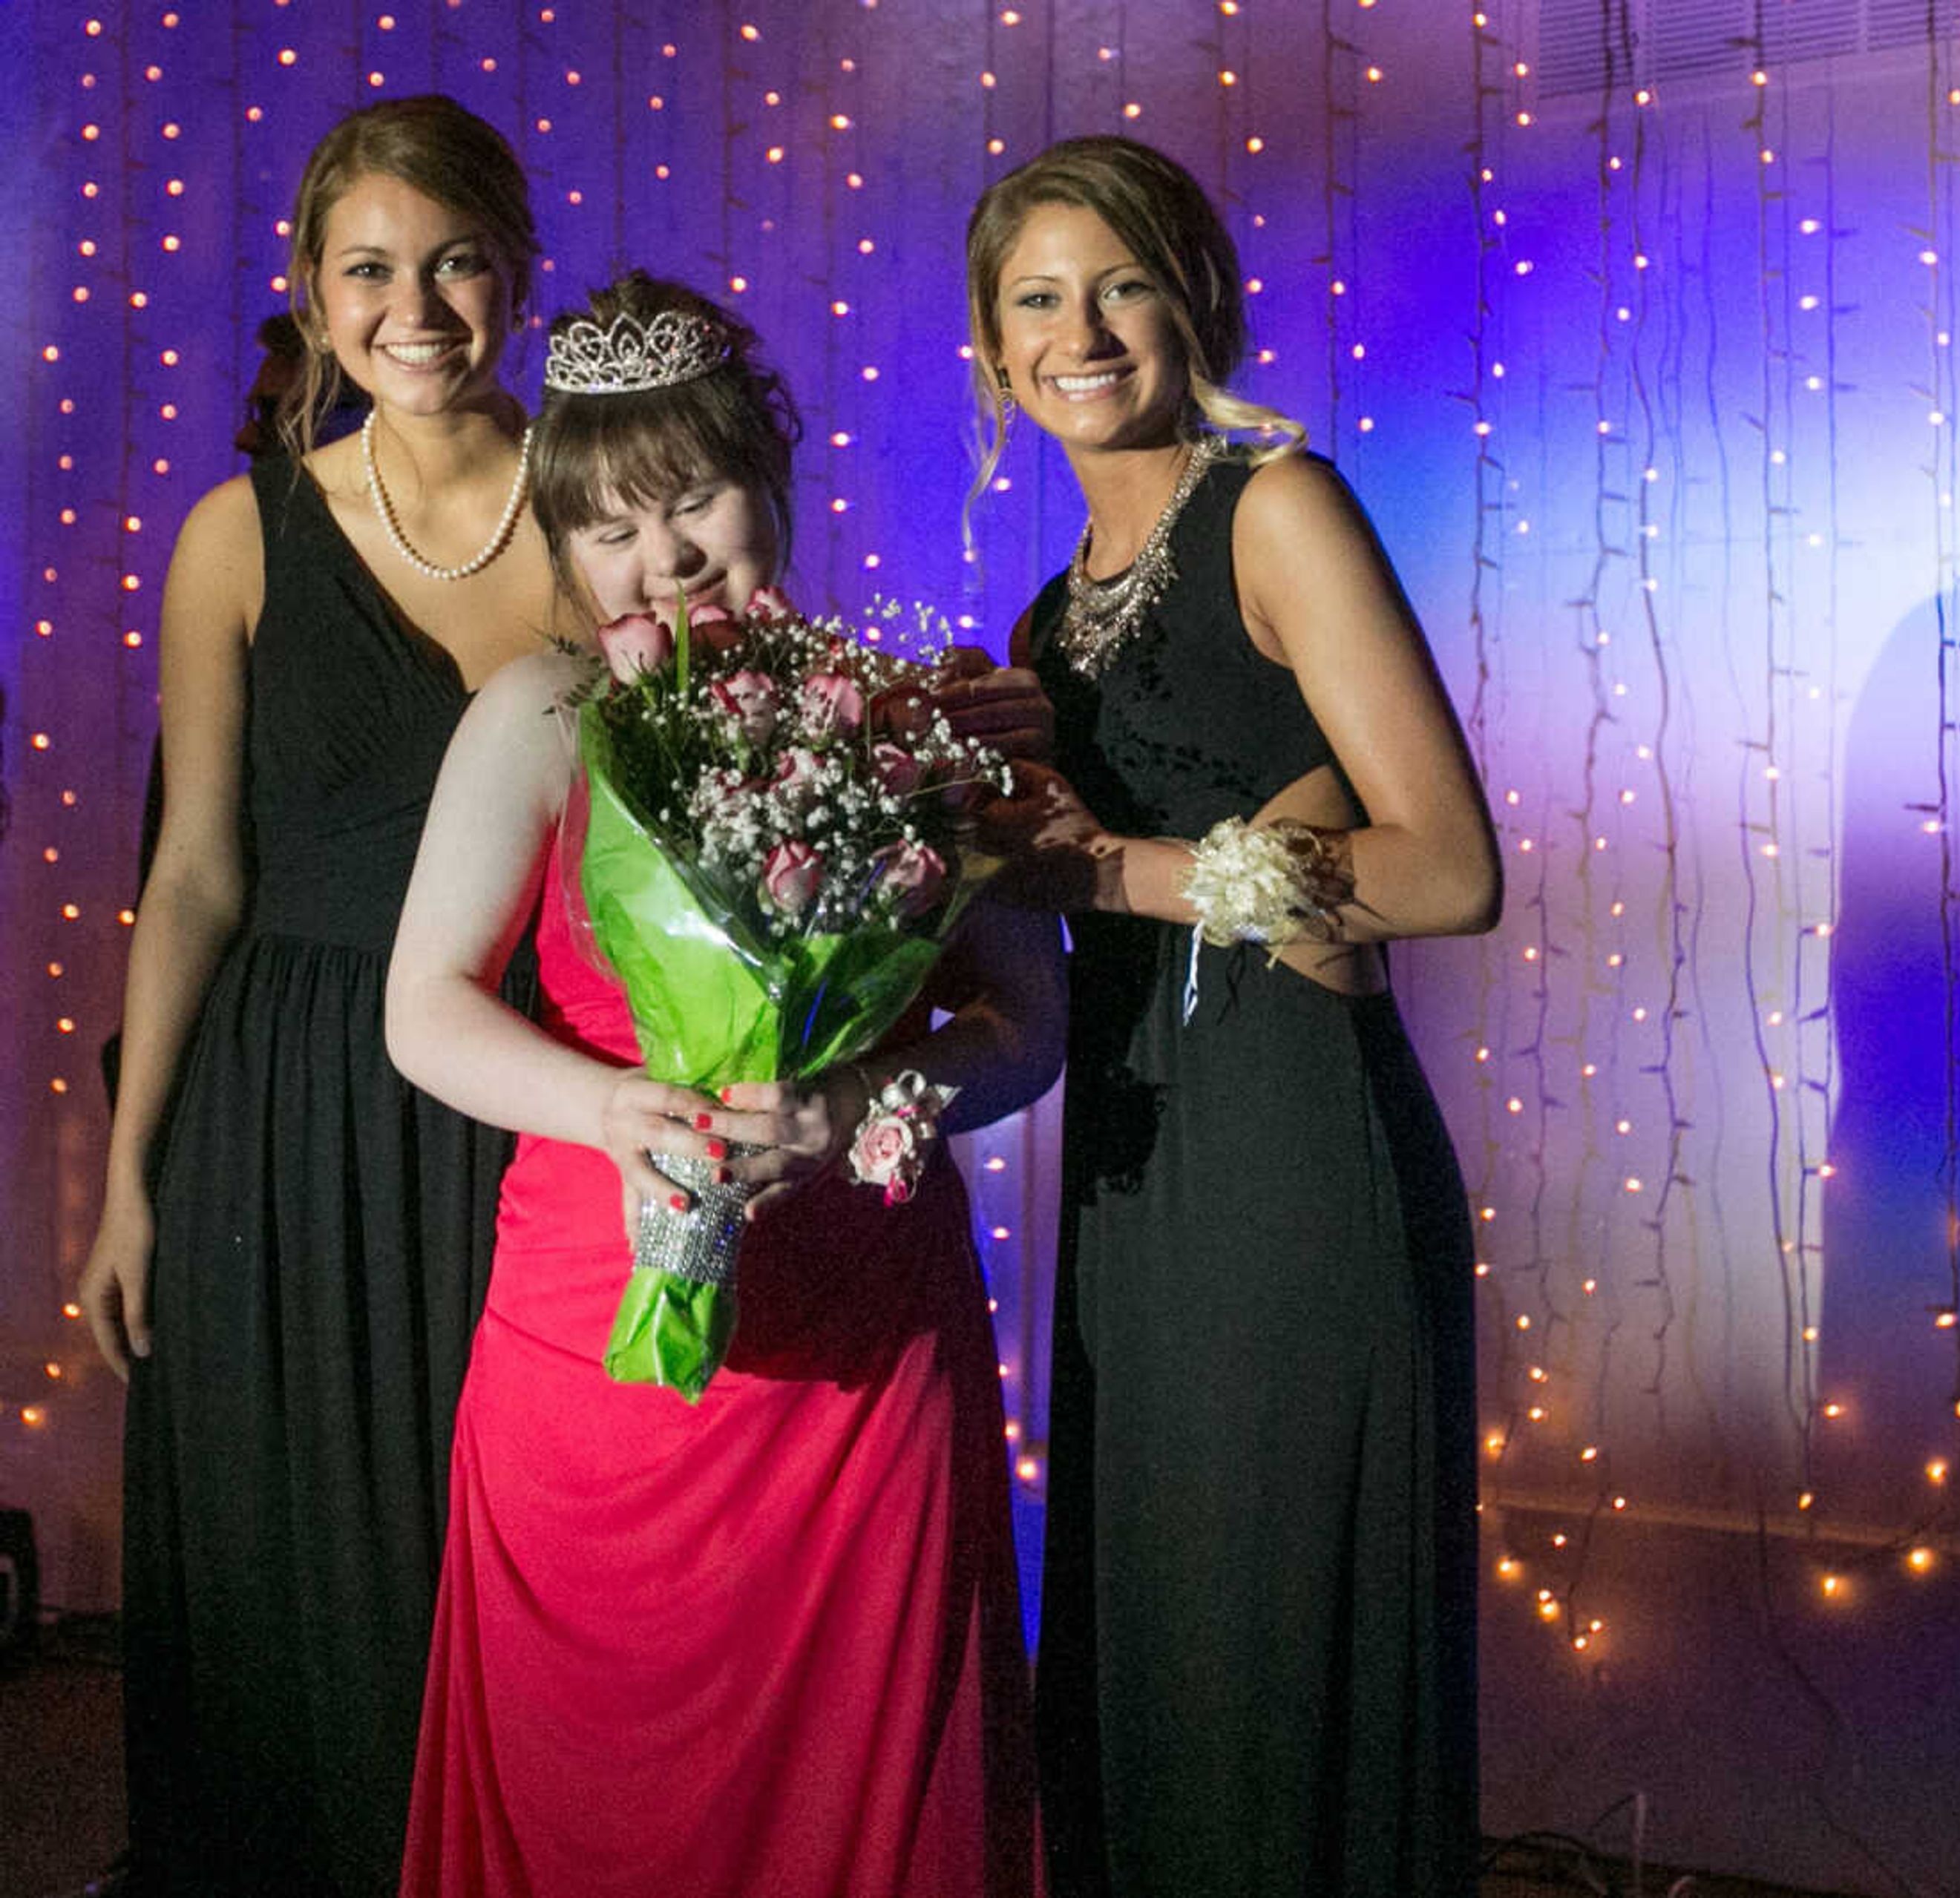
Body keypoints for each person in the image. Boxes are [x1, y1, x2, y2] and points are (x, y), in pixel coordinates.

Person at [382, 271, 1052, 1898]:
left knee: (867, 1789)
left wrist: (861, 1108)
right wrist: (614, 1110)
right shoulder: (538, 716)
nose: (661, 559)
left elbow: (1024, 1028)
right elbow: (423, 1012)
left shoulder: (909, 723)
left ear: (776, 486)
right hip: (586, 1340)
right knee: (583, 1783)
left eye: (695, 501)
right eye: (609, 525)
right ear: (560, 545)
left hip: (862, 1345)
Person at [963, 135, 1501, 1896]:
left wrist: (1116, 865)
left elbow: (1444, 868)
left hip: (1292, 1150)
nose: (1084, 328)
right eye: (1038, 298)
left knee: (1282, 1638)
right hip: (1136, 1170)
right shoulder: (1044, 623)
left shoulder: (1280, 508)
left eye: (1121, 280)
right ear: (990, 349)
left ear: (1193, 295)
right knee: (1161, 1633)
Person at [73, 95, 555, 1897]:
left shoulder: (610, 506)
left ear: (517, 270)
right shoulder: (237, 533)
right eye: (369, 269)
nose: (412, 306)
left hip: (516, 1111)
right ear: (309, 288)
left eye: (450, 262)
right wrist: (130, 1178)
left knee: (484, 1576)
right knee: (285, 1587)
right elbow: (195, 872)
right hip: (271, 1124)